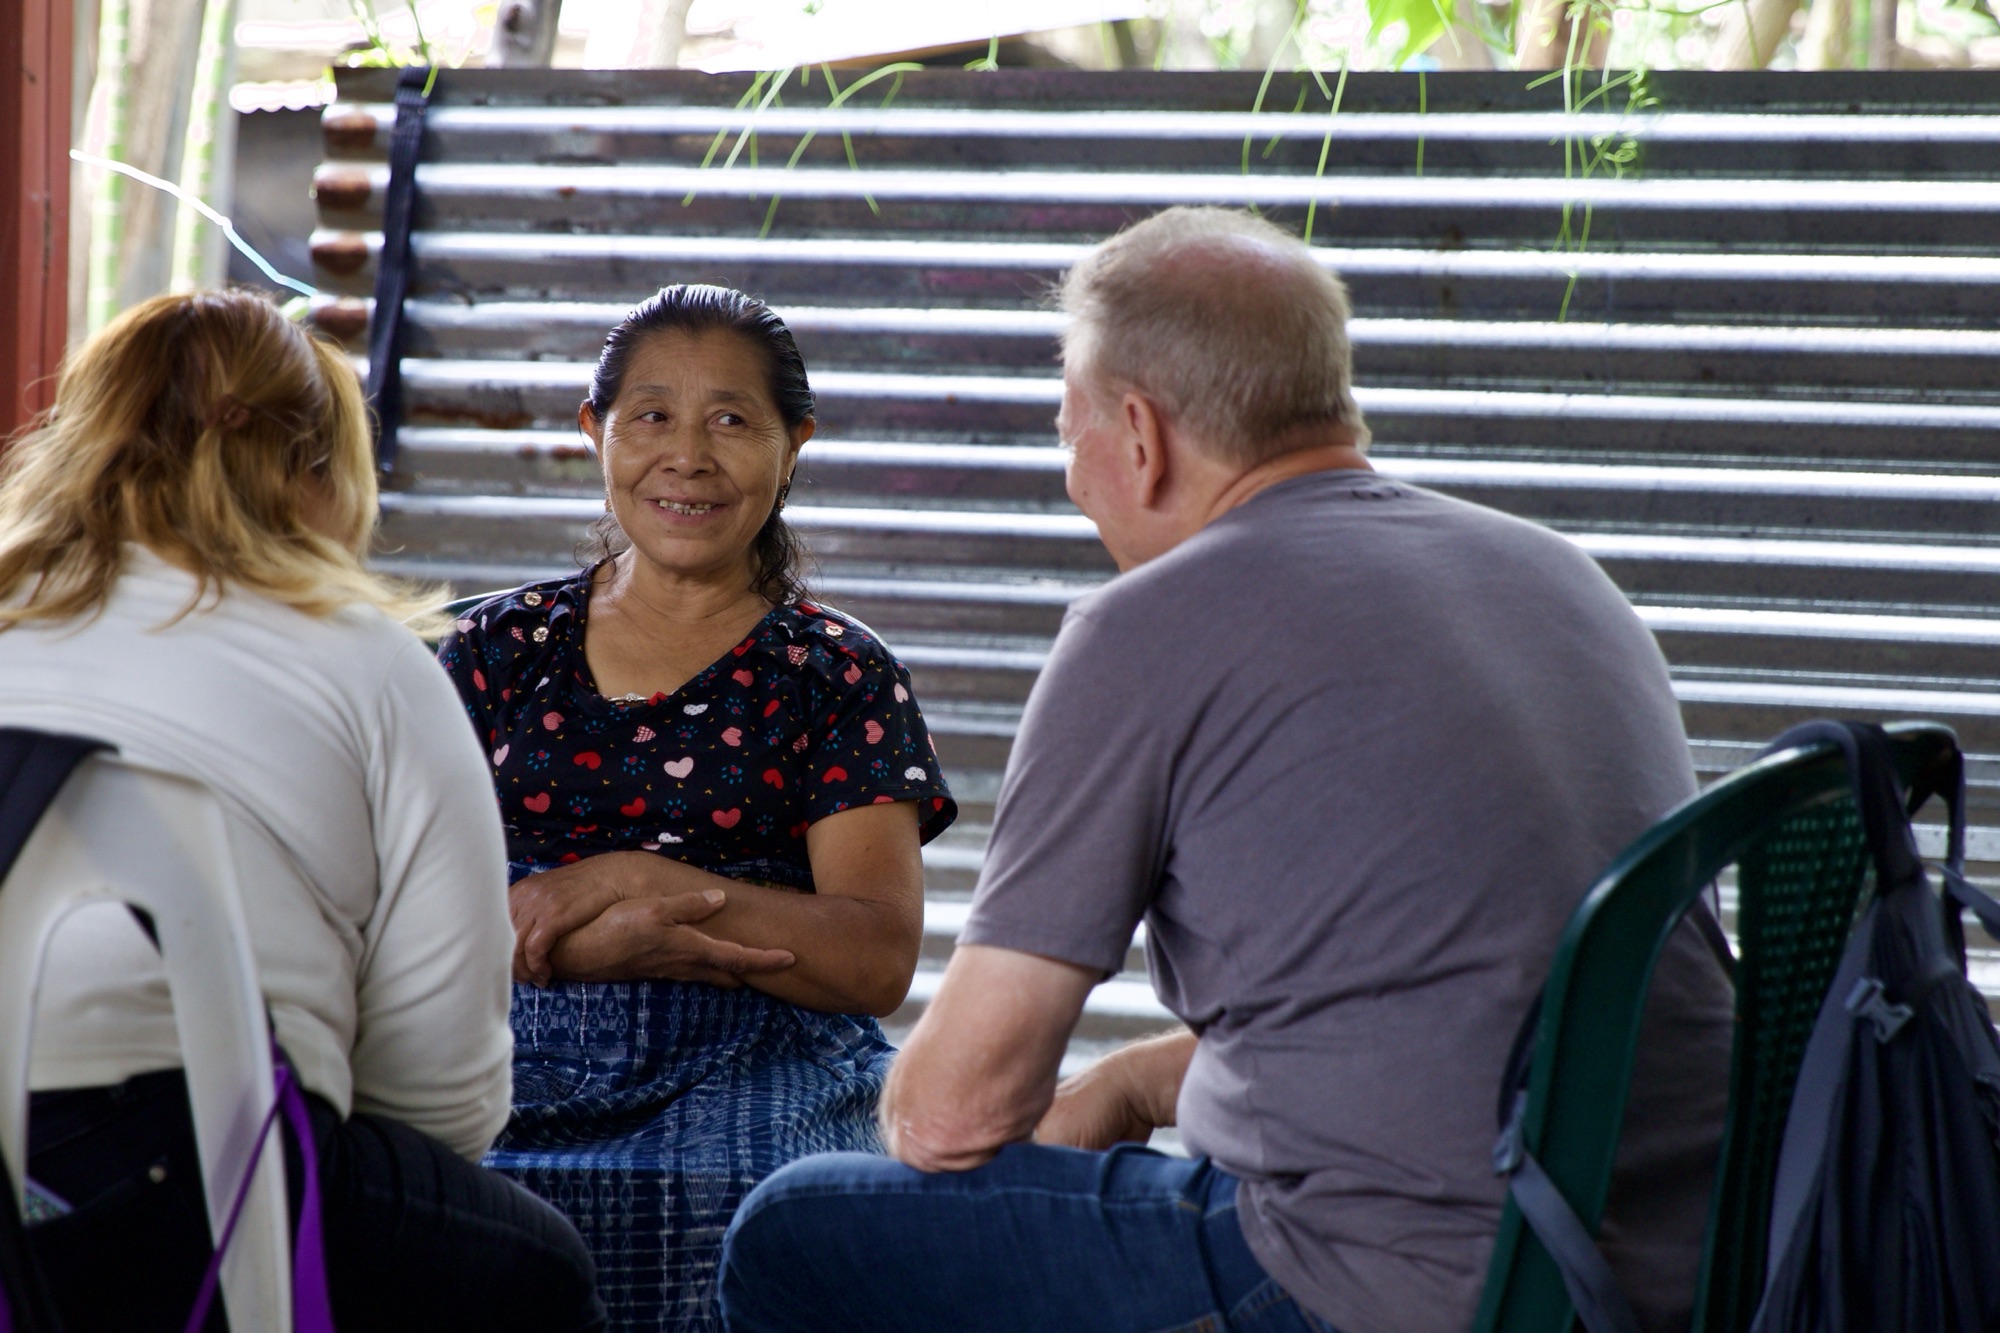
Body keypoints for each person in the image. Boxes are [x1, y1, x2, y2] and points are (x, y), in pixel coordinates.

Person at [717, 207, 1737, 1333]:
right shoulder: (1561, 577)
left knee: (794, 1233)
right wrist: (1135, 1080)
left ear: (1140, 436)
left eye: (1068, 434)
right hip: (1684, 1269)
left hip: (1394, 1287)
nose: (1074, 480)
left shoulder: (1149, 628)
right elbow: (1458, 985)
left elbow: (949, 1117)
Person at [0, 290, 604, 1331]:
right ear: (314, 473)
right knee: (541, 1270)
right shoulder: (371, 667)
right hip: (185, 1179)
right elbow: (441, 1098)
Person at [435, 284, 956, 1333]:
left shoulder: (837, 674)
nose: (687, 456)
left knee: (762, 1222)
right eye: (651, 416)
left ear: (793, 445)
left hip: (756, 1069)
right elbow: (383, 914)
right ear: (596, 432)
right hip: (497, 1060)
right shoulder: (492, 650)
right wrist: (575, 945)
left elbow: (873, 959)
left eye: (730, 420)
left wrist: (644, 882)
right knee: (413, 1209)